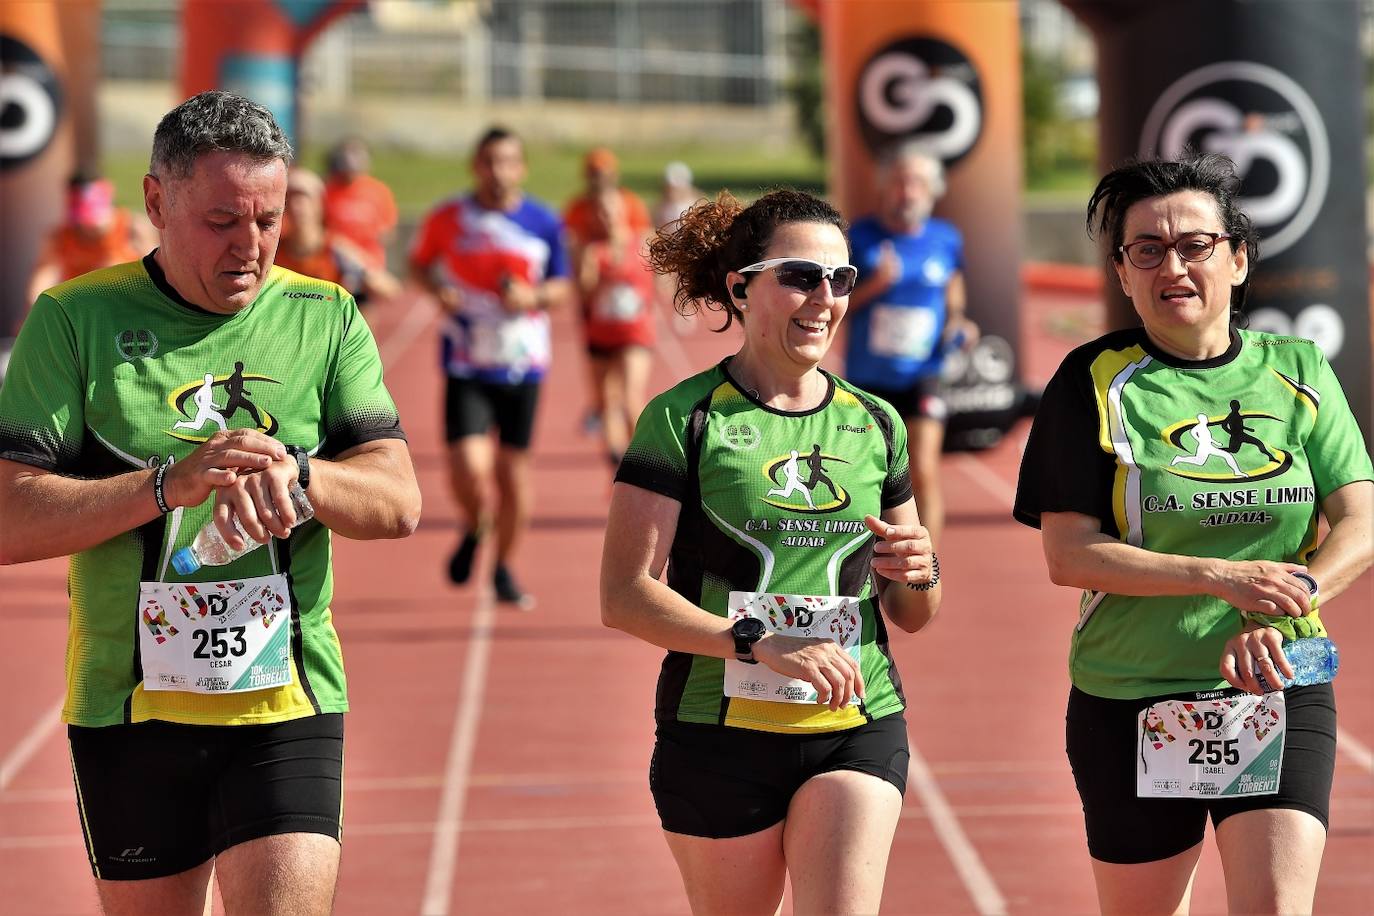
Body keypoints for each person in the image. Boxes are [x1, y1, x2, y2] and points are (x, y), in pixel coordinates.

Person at [0, 90, 422, 916]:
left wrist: (302, 475)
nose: (251, 248)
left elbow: (398, 502)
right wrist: (169, 485)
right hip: (128, 706)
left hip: (287, 699)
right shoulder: (75, 321)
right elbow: (9, 518)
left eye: (269, 221)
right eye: (223, 221)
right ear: (158, 201)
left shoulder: (324, 316)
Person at [1013, 152, 1373, 915]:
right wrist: (1219, 577)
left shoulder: (1300, 369)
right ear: (1122, 273)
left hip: (1284, 672)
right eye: (1147, 249)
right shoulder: (1092, 383)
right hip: (1135, 692)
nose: (1172, 264)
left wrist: (1285, 600)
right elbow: (1067, 552)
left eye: (1195, 246)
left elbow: (1361, 520)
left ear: (1237, 260)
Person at [601, 189, 942, 915]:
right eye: (800, 276)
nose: (824, 298)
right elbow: (625, 593)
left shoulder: (875, 421)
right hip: (718, 732)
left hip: (855, 720)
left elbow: (915, 612)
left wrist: (923, 569)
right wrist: (756, 643)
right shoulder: (683, 417)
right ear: (741, 286)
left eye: (840, 280)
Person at [408, 126, 571, 608]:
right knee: (468, 468)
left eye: (508, 162)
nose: (498, 172)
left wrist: (532, 297)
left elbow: (562, 286)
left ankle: (502, 566)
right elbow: (419, 264)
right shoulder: (449, 218)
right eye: (489, 162)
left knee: (512, 471)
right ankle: (476, 522)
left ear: (521, 168)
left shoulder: (543, 222)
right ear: (476, 167)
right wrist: (437, 290)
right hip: (466, 358)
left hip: (522, 362)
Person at [842, 143, 979, 548]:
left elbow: (953, 287)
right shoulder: (860, 237)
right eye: (900, 181)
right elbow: (835, 308)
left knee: (923, 468)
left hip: (924, 374)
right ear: (885, 187)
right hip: (869, 380)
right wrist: (876, 285)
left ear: (933, 190)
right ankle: (862, 558)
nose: (908, 191)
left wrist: (958, 321)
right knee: (866, 474)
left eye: (917, 182)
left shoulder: (945, 238)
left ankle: (925, 565)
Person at [573, 186, 656, 466]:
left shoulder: (642, 242)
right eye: (600, 212)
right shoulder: (591, 251)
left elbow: (659, 276)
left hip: (635, 333)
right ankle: (616, 459)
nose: (606, 217)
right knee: (607, 400)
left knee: (632, 395)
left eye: (611, 211)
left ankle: (642, 457)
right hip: (601, 333)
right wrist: (592, 274)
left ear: (622, 211)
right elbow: (583, 293)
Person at [24, 173, 157, 320]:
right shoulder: (60, 237)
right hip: (81, 315)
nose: (89, 228)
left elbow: (156, 279)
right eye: (84, 219)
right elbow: (41, 281)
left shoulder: (133, 229)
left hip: (128, 313)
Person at [276, 167, 400, 306]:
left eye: (303, 198)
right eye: (289, 198)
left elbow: (389, 289)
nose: (296, 205)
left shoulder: (337, 250)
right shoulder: (273, 251)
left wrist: (360, 280)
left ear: (319, 204)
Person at [322, 136, 398, 270]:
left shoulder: (379, 190)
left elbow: (388, 232)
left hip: (371, 264)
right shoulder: (326, 190)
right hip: (335, 262)